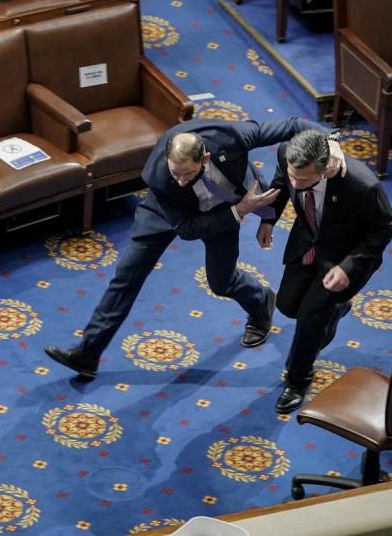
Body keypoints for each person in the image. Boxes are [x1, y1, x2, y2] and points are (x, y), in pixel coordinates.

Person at [45, 117, 345, 379]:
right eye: (175, 172)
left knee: (221, 282)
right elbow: (186, 229)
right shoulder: (162, 178)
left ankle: (260, 301)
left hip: (225, 204)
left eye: (186, 174)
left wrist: (330, 141)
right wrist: (238, 211)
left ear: (205, 158)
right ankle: (88, 353)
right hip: (170, 214)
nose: (180, 180)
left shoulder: (231, 136)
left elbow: (292, 125)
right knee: (127, 276)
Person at [258, 130, 392, 413]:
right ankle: (337, 308)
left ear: (326, 169)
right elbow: (282, 183)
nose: (297, 183)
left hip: (342, 259)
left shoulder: (361, 185)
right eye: (293, 175)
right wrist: (269, 220)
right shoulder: (288, 153)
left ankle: (298, 380)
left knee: (309, 321)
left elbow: (384, 229)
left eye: (305, 180)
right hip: (306, 244)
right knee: (286, 304)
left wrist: (349, 267)